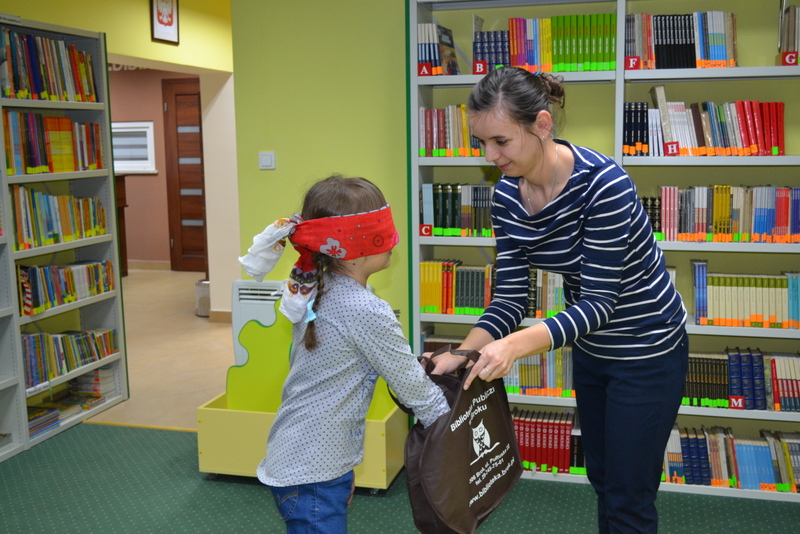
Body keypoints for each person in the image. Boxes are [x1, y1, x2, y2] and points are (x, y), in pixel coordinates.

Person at [431, 67, 688, 534]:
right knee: (603, 479)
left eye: (501, 141)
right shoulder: (506, 198)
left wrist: (513, 346)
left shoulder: (603, 185)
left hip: (647, 351)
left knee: (628, 497)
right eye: (481, 142)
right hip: (591, 350)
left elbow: (600, 303)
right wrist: (463, 352)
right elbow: (509, 299)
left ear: (543, 125)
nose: (490, 156)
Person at [238, 175, 450, 534]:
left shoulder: (316, 286)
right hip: (312, 472)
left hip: (310, 459)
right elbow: (413, 388)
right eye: (384, 231)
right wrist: (453, 429)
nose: (394, 239)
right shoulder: (365, 308)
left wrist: (340, 469)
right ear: (356, 245)